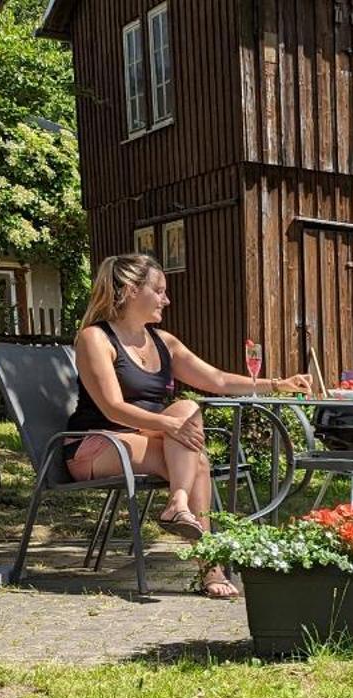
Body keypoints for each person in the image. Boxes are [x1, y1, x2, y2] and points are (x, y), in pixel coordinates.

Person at [64, 253, 308, 600]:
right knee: (195, 452)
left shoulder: (164, 342)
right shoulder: (95, 338)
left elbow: (219, 380)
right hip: (99, 443)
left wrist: (277, 384)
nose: (167, 299)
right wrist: (168, 425)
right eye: (159, 290)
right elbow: (112, 408)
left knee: (188, 410)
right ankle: (209, 567)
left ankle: (178, 503)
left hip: (146, 441)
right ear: (132, 290)